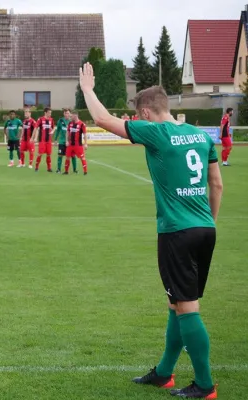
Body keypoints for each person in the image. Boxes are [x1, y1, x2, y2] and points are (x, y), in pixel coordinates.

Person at [80, 62, 223, 399]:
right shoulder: (202, 136)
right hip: (205, 229)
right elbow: (216, 184)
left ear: (145, 111)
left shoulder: (157, 132)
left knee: (187, 306)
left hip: (177, 232)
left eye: (139, 115)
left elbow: (102, 120)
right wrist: (209, 222)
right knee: (177, 302)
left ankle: (204, 384)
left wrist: (88, 89)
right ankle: (164, 373)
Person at [64, 110, 88, 175]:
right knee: (67, 157)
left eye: (72, 116)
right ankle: (66, 171)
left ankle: (85, 171)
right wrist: (66, 141)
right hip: (70, 144)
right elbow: (67, 132)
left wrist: (85, 144)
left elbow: (85, 134)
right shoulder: (70, 123)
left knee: (82, 157)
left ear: (76, 116)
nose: (71, 117)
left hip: (78, 145)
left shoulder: (82, 124)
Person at [32, 107, 55, 172]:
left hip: (49, 141)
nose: (50, 114)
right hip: (42, 140)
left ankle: (49, 168)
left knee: (49, 154)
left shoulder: (51, 120)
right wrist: (33, 137)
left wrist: (52, 131)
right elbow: (35, 128)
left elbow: (53, 128)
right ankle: (36, 167)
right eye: (49, 113)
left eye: (50, 113)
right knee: (40, 154)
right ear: (45, 113)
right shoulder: (40, 119)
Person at [54, 109, 71, 173]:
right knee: (60, 155)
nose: (67, 114)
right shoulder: (60, 121)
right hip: (61, 141)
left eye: (68, 113)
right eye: (66, 113)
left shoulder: (71, 122)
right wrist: (55, 139)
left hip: (68, 142)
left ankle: (69, 170)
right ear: (64, 114)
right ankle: (58, 169)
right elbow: (57, 130)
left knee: (68, 156)